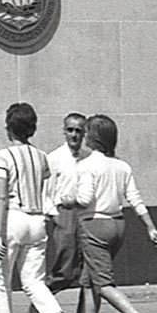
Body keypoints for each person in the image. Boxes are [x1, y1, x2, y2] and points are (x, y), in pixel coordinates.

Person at [55, 113, 157, 313]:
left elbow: (84, 199)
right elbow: (135, 198)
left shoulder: (87, 165)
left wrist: (66, 200)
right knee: (89, 279)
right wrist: (150, 226)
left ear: (91, 138)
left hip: (94, 225)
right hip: (118, 224)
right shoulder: (122, 166)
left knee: (103, 283)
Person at [0, 102, 70, 313]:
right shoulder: (41, 157)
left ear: (9, 127)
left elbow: (0, 197)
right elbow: (44, 185)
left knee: (1, 280)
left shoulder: (3, 156)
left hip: (14, 218)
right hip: (37, 221)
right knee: (33, 280)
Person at [43, 111, 91, 297]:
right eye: (70, 130)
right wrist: (51, 214)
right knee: (65, 261)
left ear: (84, 133)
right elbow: (47, 189)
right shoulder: (54, 158)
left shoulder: (89, 156)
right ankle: (45, 297)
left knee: (87, 268)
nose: (74, 135)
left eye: (78, 131)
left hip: (86, 213)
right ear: (64, 131)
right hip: (64, 213)